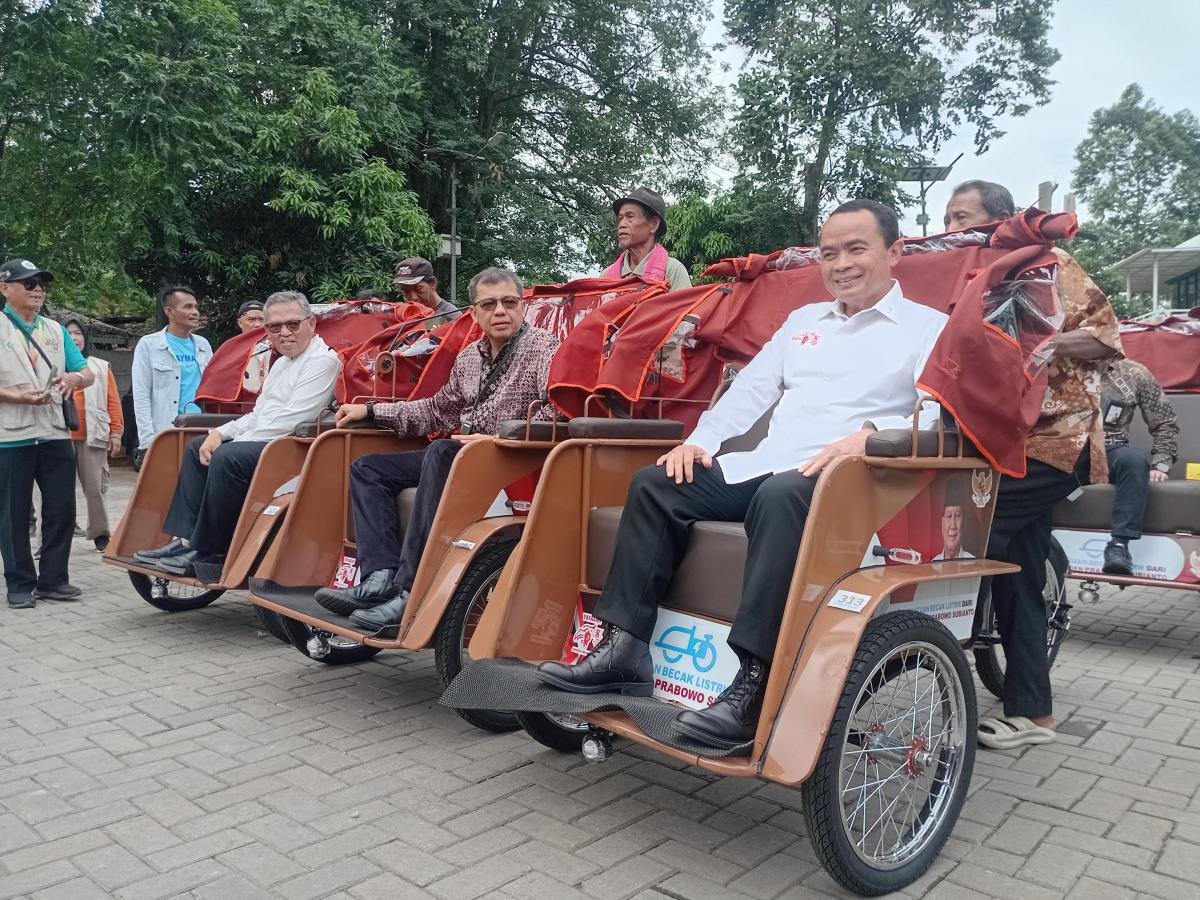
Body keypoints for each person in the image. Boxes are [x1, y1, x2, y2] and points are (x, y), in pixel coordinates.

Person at [537, 200, 949, 750]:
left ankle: (754, 682)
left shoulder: (927, 328)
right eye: (829, 253)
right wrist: (700, 442)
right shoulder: (804, 323)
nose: (841, 264)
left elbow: (937, 409)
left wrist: (870, 434)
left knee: (779, 497)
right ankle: (624, 647)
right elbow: (751, 391)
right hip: (773, 462)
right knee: (656, 485)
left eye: (857, 249)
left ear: (895, 252)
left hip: (855, 474)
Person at [945, 181, 1122, 750]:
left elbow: (1105, 336)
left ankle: (936, 653)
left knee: (974, 537)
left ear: (1000, 222)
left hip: (1056, 442)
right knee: (1016, 570)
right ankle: (1033, 713)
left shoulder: (1049, 264)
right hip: (1003, 442)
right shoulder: (966, 278)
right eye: (947, 218)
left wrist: (1051, 344)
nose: (953, 228)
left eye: (964, 217)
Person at [315, 267, 560, 630]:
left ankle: (408, 591)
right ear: (474, 312)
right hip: (464, 454)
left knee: (441, 452)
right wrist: (370, 409)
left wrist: (502, 438)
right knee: (368, 468)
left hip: (510, 457)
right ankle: (379, 576)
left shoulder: (543, 347)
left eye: (509, 303)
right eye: (489, 304)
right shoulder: (469, 357)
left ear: (522, 307)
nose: (500, 312)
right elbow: (435, 410)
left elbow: (555, 409)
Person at [132, 292, 340, 577]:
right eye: (274, 327)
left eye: (293, 324)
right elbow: (258, 415)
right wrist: (219, 433)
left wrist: (232, 441)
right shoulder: (281, 364)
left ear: (311, 324)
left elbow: (292, 420)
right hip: (267, 441)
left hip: (294, 446)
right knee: (197, 447)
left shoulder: (322, 361)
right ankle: (186, 541)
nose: (284, 333)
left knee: (228, 457)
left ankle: (213, 550)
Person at [0, 259, 95, 608]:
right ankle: (20, 584)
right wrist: (16, 396)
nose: (37, 289)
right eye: (28, 283)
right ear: (4, 288)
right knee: (12, 512)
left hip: (55, 431)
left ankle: (54, 580)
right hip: (11, 435)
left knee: (62, 509)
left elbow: (86, 372)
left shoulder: (54, 329)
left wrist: (74, 379)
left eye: (40, 283)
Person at [1099, 358, 1179, 574]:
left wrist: (1161, 463)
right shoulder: (1058, 366)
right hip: (1065, 450)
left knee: (1134, 460)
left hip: (1111, 448)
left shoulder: (1134, 372)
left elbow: (1164, 421)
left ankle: (1119, 545)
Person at [131, 285, 214, 462]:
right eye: (188, 307)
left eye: (196, 307)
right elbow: (141, 394)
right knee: (166, 485)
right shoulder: (149, 345)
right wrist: (147, 440)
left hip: (201, 429)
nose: (195, 312)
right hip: (167, 431)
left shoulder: (203, 345)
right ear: (170, 312)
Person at [64, 318, 124, 552]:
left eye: (78, 333)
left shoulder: (100, 366)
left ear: (85, 338)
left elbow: (113, 401)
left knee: (96, 489)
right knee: (57, 492)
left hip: (94, 435)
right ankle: (50, 540)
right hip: (59, 438)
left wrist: (116, 433)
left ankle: (100, 534)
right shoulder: (52, 364)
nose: (74, 338)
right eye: (68, 334)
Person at [605, 187, 691, 291]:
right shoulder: (606, 277)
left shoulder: (672, 270)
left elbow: (686, 307)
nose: (621, 224)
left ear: (653, 224)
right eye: (620, 218)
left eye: (630, 216)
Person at [392, 257, 462, 318]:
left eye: (417, 289)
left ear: (432, 283)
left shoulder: (452, 317)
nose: (413, 298)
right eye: (406, 291)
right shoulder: (404, 315)